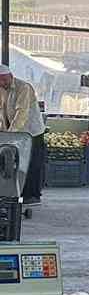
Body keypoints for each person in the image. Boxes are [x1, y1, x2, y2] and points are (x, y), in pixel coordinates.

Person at [0, 65, 45, 204]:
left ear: (10, 76)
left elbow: (22, 112)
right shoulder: (1, 89)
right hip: (14, 132)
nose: (2, 83)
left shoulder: (24, 87)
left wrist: (11, 134)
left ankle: (32, 196)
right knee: (15, 163)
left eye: (4, 80)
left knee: (31, 163)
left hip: (31, 131)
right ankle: (15, 194)